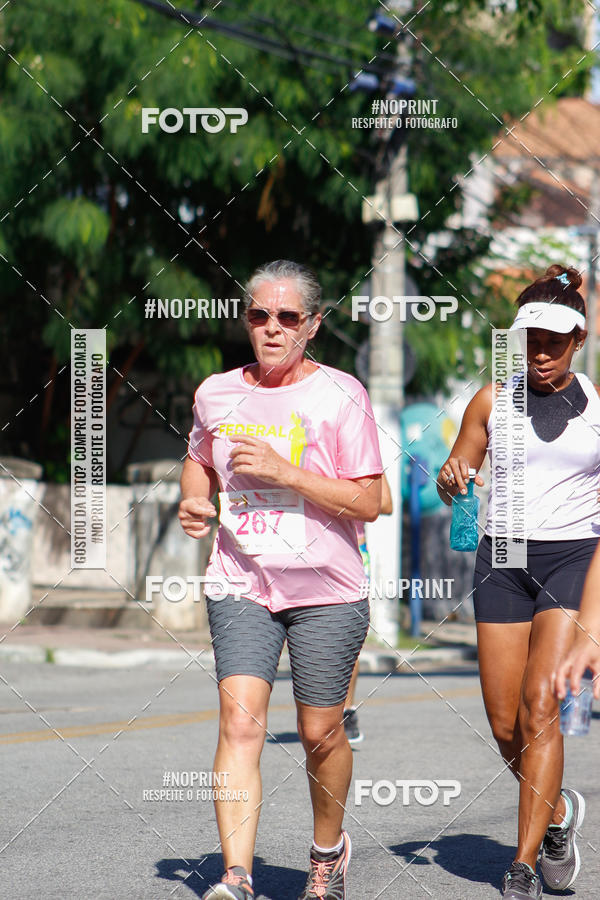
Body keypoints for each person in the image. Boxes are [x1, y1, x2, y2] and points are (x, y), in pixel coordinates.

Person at [178, 260, 384, 900]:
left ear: (313, 325)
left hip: (328, 589)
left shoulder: (341, 394)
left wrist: (285, 471)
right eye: (258, 315)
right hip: (241, 580)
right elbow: (198, 463)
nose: (271, 328)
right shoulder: (215, 392)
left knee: (320, 732)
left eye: (288, 317)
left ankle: (328, 852)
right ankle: (235, 876)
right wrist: (193, 501)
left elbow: (372, 500)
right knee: (240, 726)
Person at [436, 265, 600, 899]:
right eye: (531, 337)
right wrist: (453, 477)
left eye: (555, 341)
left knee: (540, 708)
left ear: (577, 339)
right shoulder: (490, 400)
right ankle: (557, 816)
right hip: (502, 557)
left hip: (573, 557)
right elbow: (459, 472)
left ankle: (523, 864)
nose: (541, 351)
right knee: (505, 724)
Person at [343, 474, 393, 744]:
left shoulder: (360, 451)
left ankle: (346, 711)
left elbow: (385, 504)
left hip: (352, 552)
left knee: (348, 638)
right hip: (307, 550)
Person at [554, 542, 600, 700]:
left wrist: (590, 629)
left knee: (542, 702)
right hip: (510, 542)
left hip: (576, 548)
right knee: (504, 721)